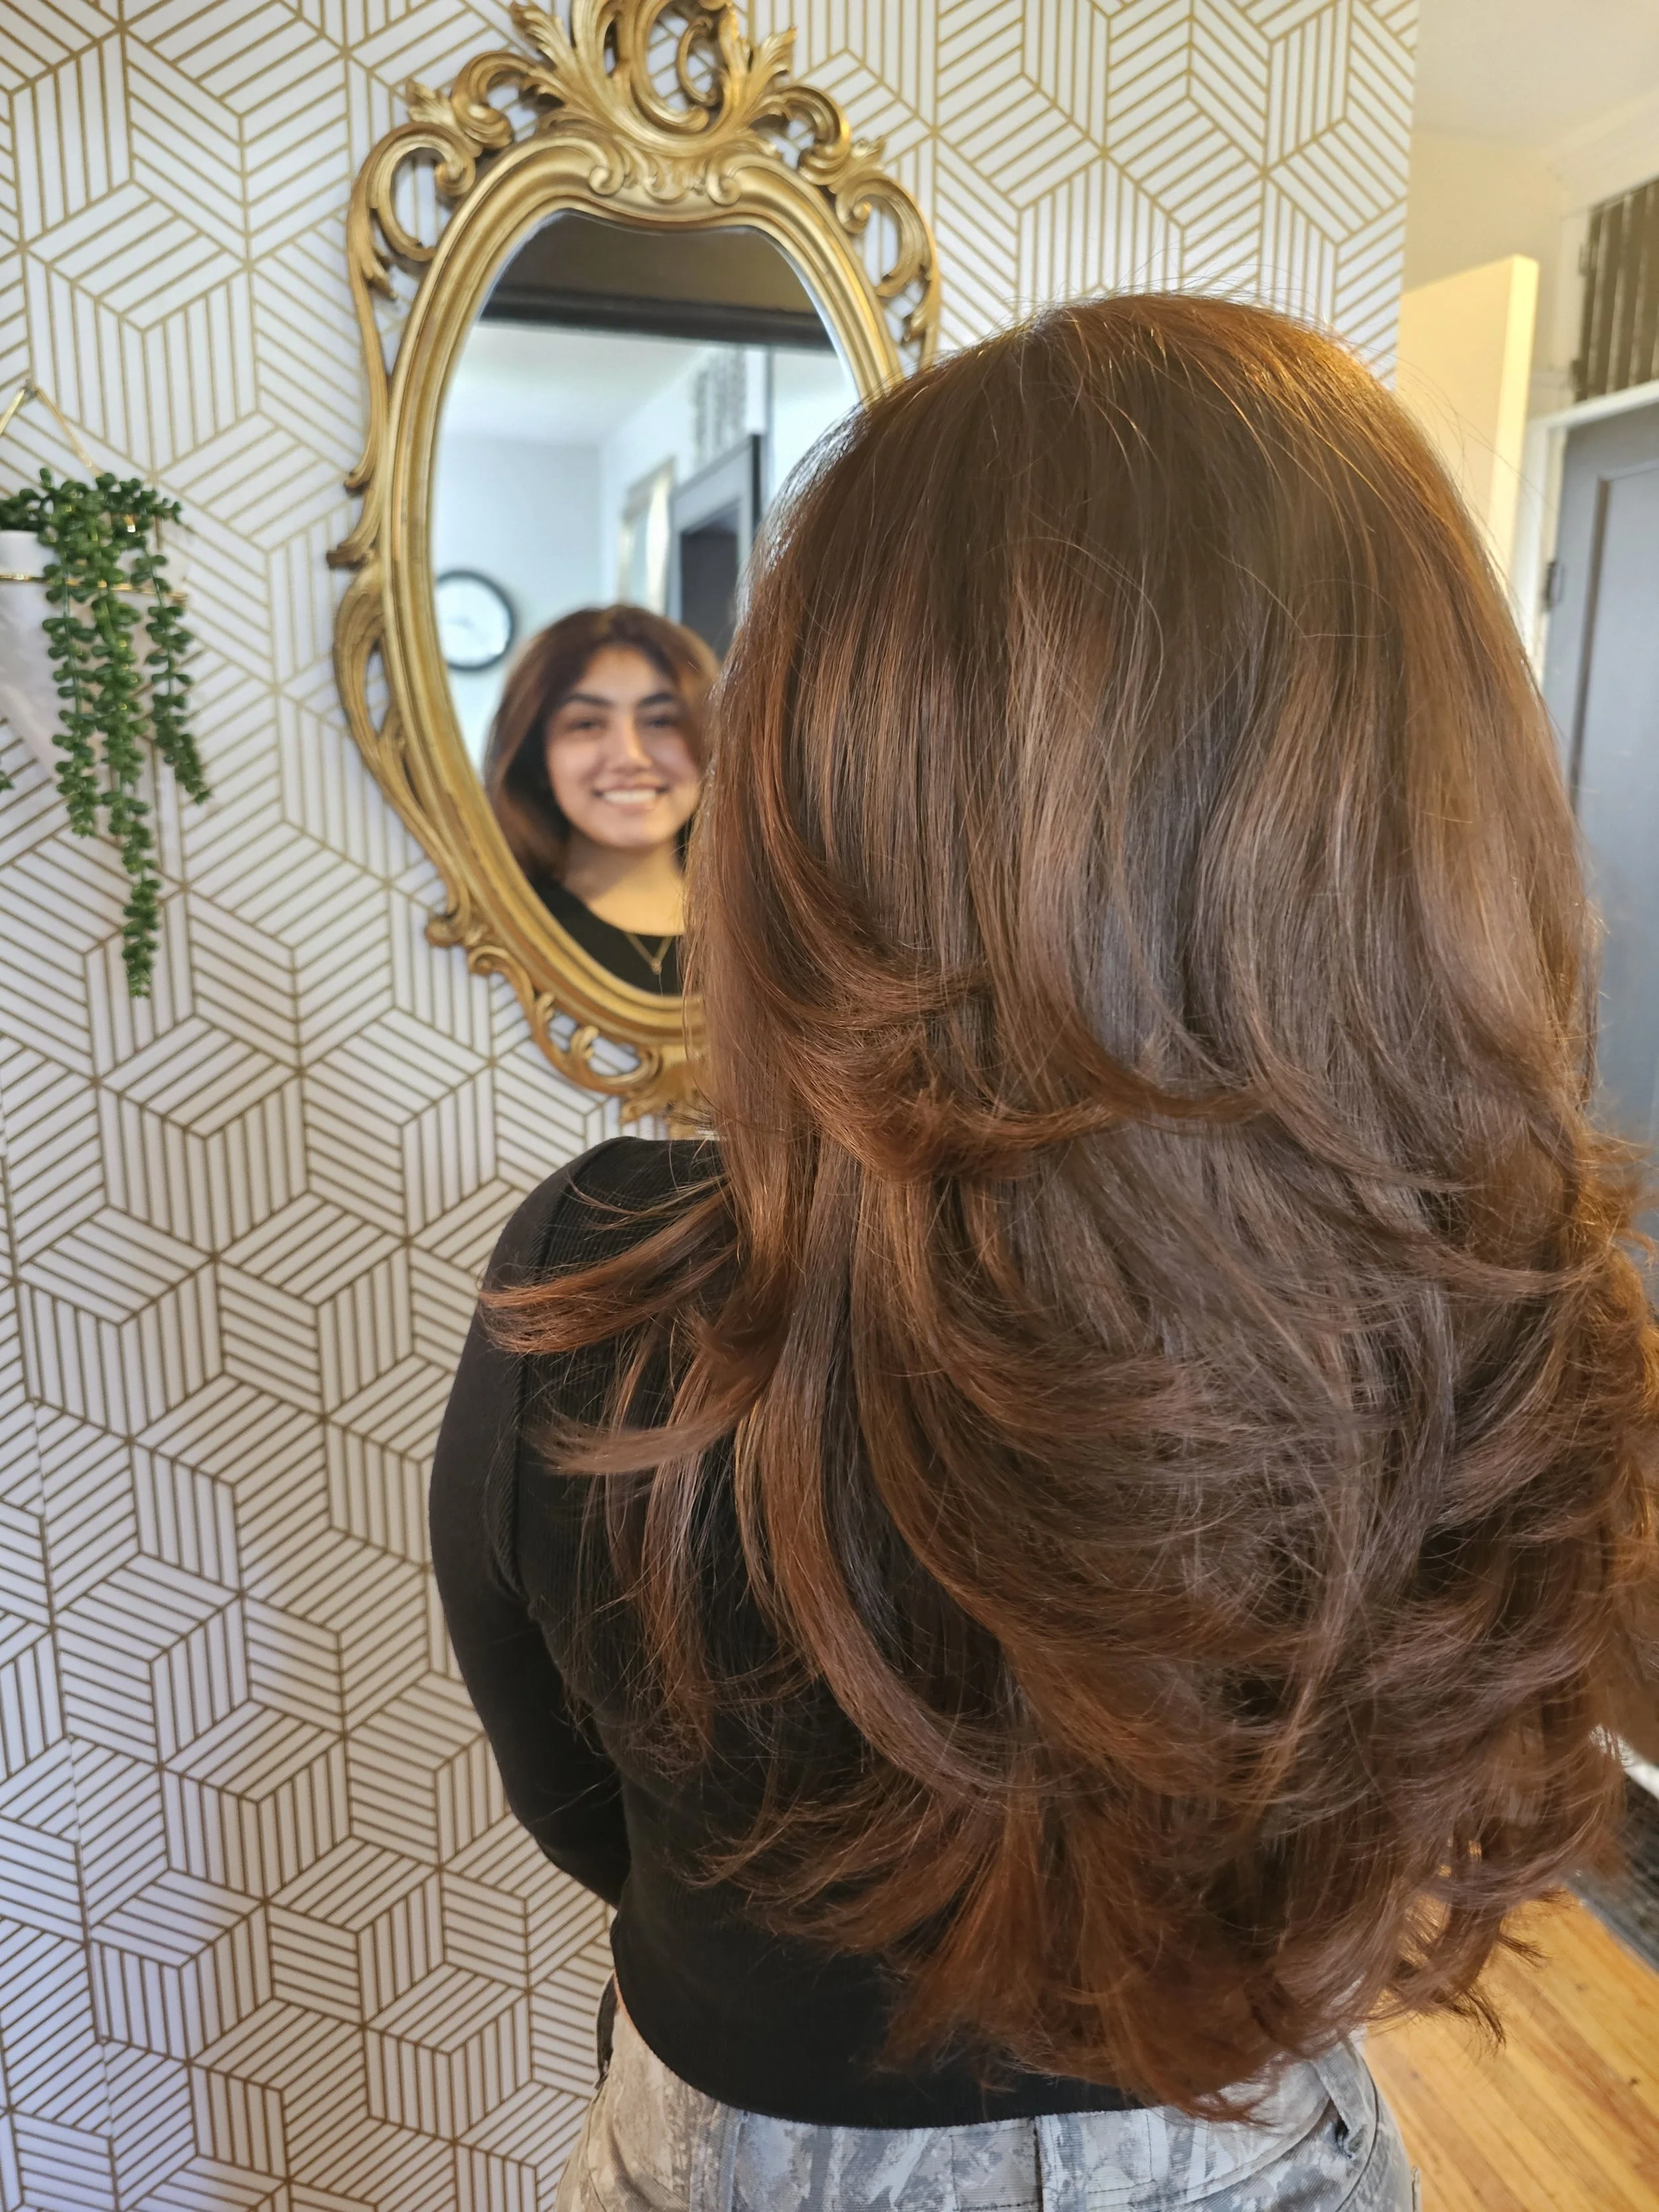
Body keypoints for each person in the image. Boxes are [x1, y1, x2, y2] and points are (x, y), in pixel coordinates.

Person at [431, 296, 1659, 2212]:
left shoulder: (602, 1291)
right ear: (1428, 838)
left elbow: (579, 1794)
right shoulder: (1477, 1324)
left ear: (807, 795)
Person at [483, 604, 717, 995]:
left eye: (661, 721)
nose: (630, 756)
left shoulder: (772, 933)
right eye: (587, 724)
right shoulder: (495, 939)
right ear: (536, 759)